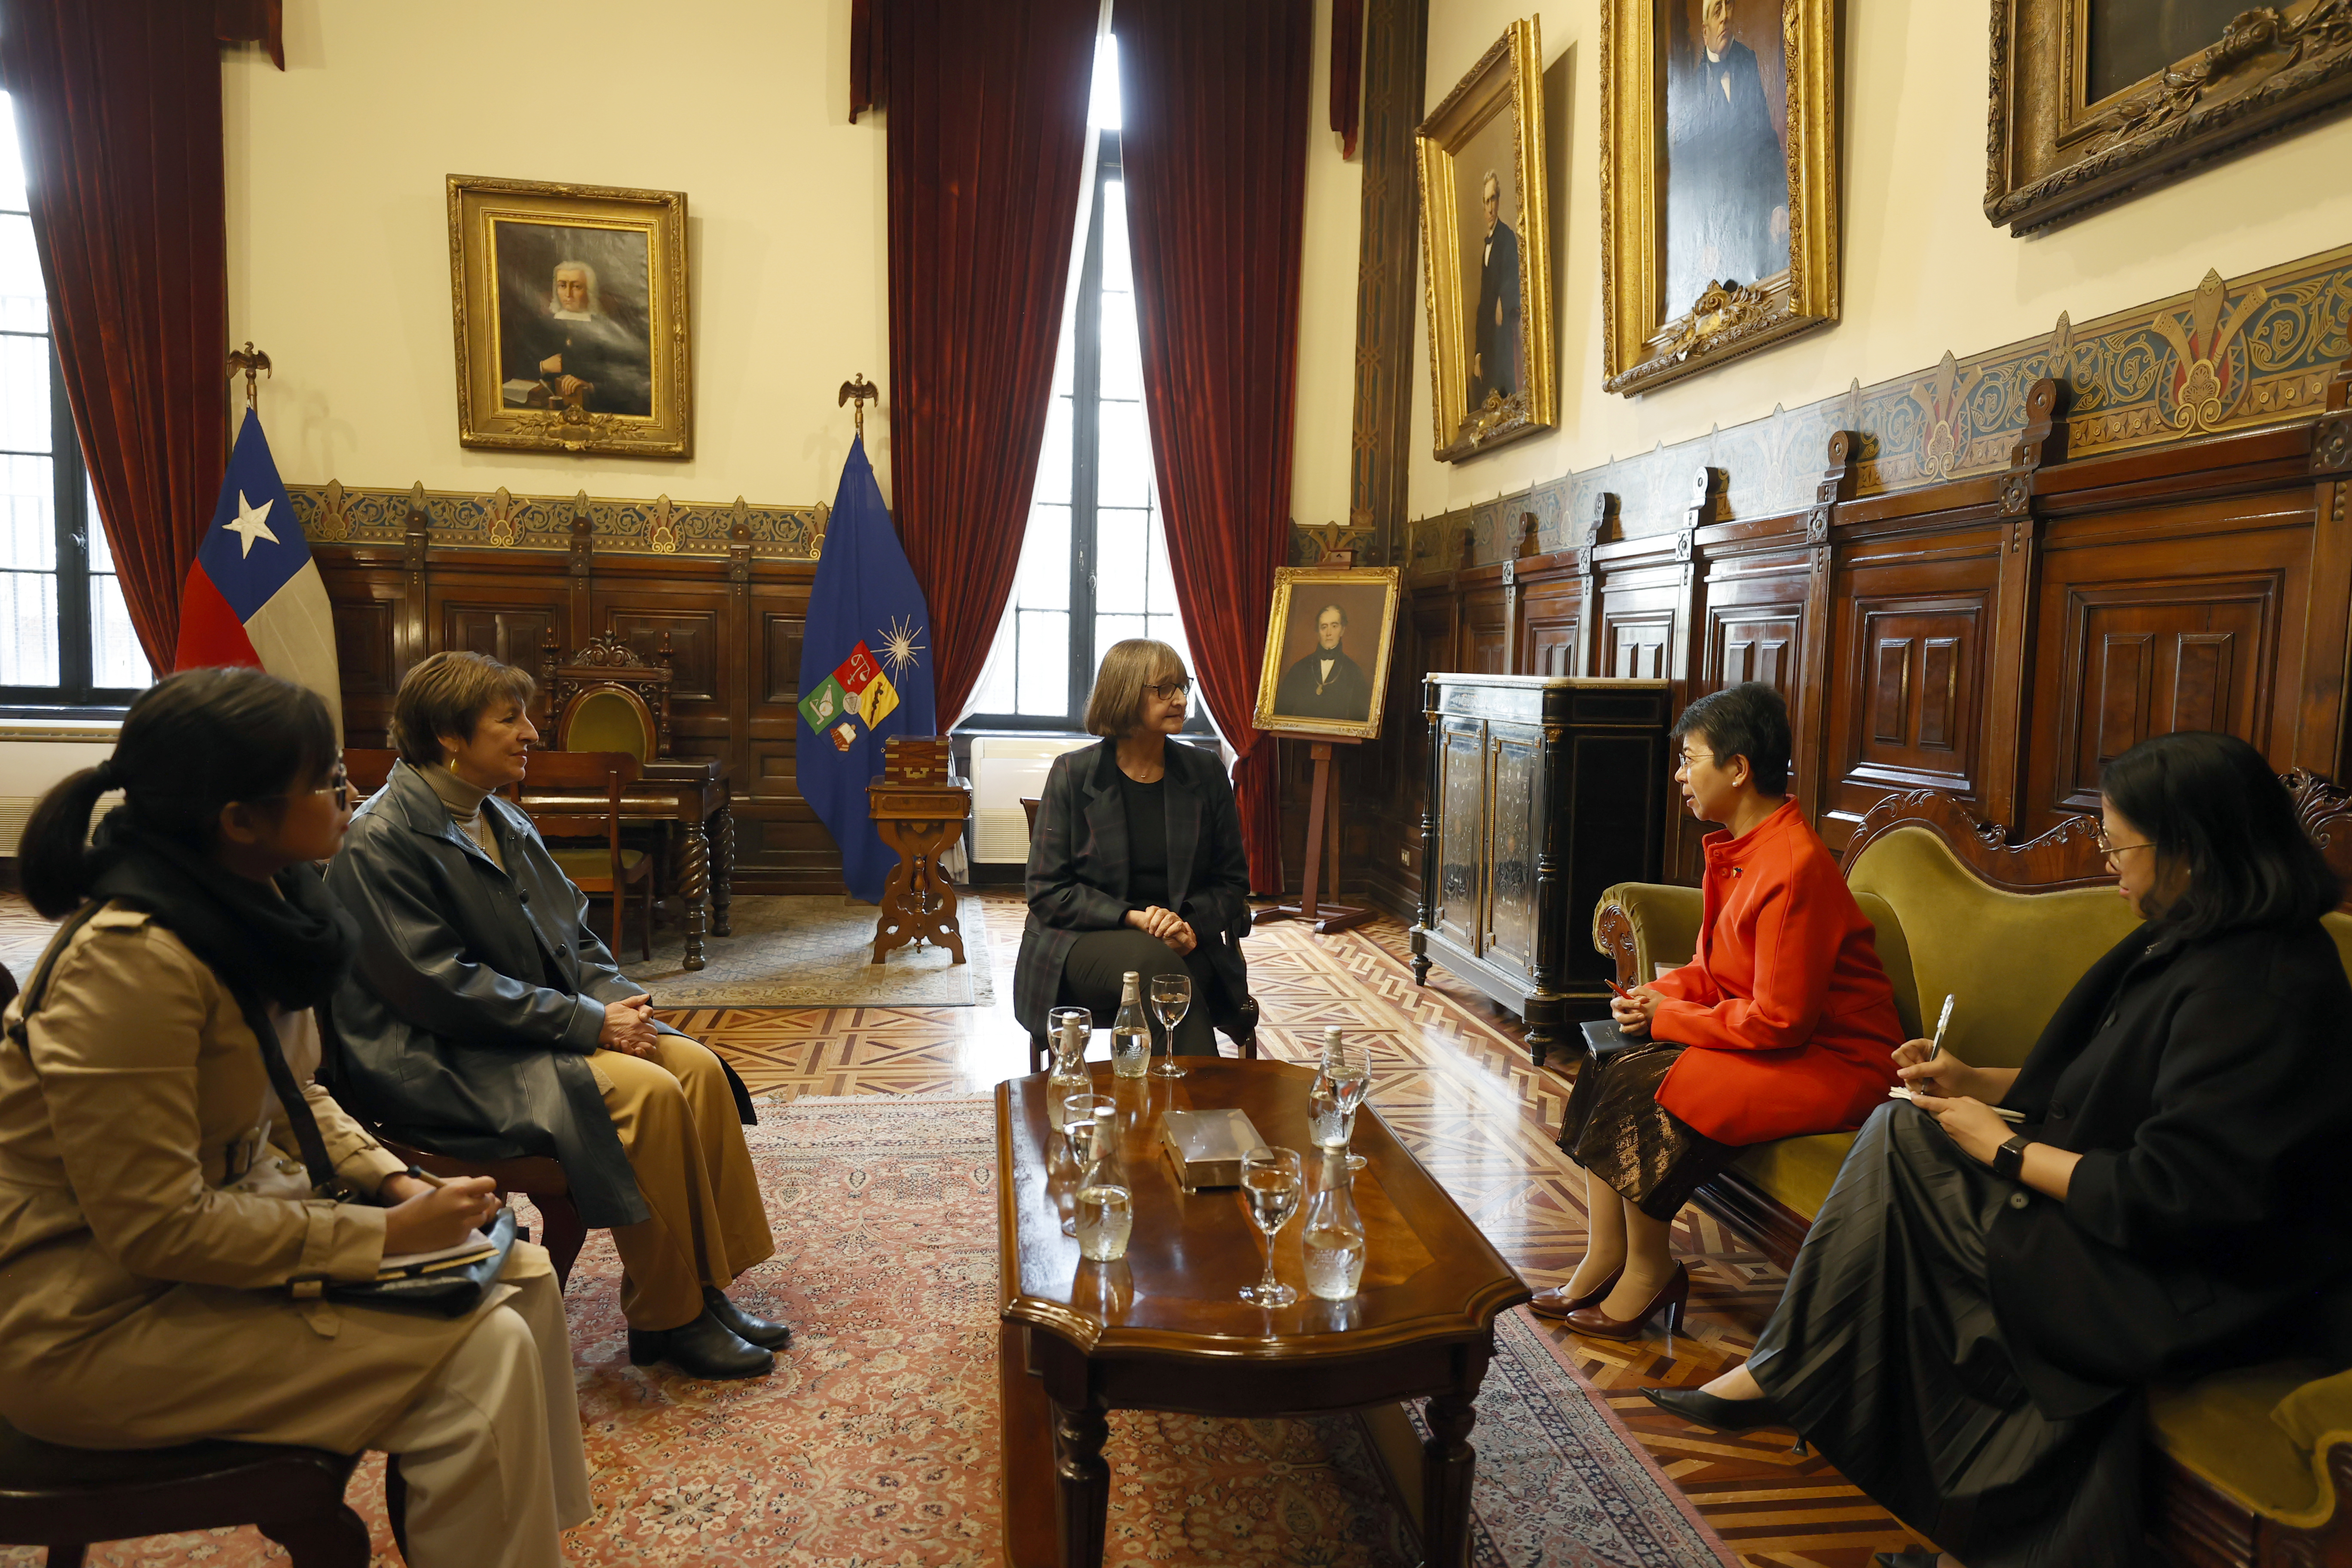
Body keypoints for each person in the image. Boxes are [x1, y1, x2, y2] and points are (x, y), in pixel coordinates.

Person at [1643, 731, 2352, 1568]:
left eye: (2118, 844)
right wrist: (1977, 1083)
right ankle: (1830, 1407)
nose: (2109, 863)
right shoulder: (2202, 932)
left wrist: (2003, 1151)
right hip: (2132, 1224)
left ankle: (1800, 1378)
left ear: (2190, 849)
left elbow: (2175, 1193)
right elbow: (2104, 1082)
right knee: (1905, 1138)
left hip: (2189, 1278)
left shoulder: (2264, 987)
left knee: (1903, 1156)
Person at [0, 668, 590, 1568]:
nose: (347, 790)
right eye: (324, 780)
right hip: (93, 1325)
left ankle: (526, 1548)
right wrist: (383, 1240)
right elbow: (153, 1228)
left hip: (205, 1259)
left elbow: (297, 1092)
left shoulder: (260, 906)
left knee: (523, 1273)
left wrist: (396, 1182)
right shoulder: (132, 963)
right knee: (483, 1359)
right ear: (239, 818)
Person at [328, 651, 785, 1380]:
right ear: (449, 735)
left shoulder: (500, 817)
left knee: (691, 1065)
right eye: (510, 719)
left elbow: (575, 935)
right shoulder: (378, 839)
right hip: (439, 1055)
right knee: (648, 1095)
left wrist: (615, 1004)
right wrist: (588, 1025)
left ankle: (702, 1287)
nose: (532, 732)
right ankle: (670, 1317)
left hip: (526, 1028)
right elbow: (440, 986)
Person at [1534, 681, 1902, 1335]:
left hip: (1837, 1061)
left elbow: (1781, 1020)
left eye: (1691, 759)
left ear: (1738, 768)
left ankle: (1652, 1273)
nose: (1679, 774)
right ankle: (1606, 1255)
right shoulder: (1743, 849)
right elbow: (1715, 969)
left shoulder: (1792, 866)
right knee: (1608, 1058)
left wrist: (1666, 1021)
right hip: (1784, 1041)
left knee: (1657, 1083)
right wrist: (1661, 996)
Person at [1017, 639, 1252, 1059]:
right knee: (1157, 967)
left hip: (1182, 940)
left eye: (1183, 686)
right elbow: (1047, 890)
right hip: (1083, 943)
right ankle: (1202, 1114)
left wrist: (1187, 926)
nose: (1181, 699)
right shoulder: (1074, 774)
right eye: (1165, 689)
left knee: (1168, 975)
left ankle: (1150, 1112)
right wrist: (1135, 919)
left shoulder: (1205, 773)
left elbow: (1232, 883)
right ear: (1124, 692)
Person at [1664, 0, 1789, 314]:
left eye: (1728, 8)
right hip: (1719, 234)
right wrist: (1705, 237)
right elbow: (1690, 180)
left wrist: (1778, 203)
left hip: (1757, 216)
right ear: (1704, 32)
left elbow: (1766, 141)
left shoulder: (1747, 61)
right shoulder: (1692, 89)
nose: (1726, 18)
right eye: (1717, 12)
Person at [504, 257, 653, 416]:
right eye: (562, 286)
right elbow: (517, 373)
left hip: (596, 412)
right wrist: (543, 366)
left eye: (576, 287)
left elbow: (629, 381)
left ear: (589, 291)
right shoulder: (538, 327)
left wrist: (590, 386)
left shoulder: (609, 330)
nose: (568, 294)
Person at [1273, 603, 1375, 724]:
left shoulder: (1354, 672)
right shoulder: (1299, 669)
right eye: (1324, 627)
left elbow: (1360, 721)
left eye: (1334, 626)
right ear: (1318, 632)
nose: (1329, 633)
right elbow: (1282, 715)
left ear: (1342, 630)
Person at [1470, 168, 1521, 405]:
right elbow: (1483, 301)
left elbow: (1514, 279)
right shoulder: (1486, 248)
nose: (1490, 208)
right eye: (1486, 201)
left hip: (1504, 336)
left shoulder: (1507, 238)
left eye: (1494, 200)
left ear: (1499, 201)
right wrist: (1478, 353)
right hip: (1489, 340)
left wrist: (1503, 300)